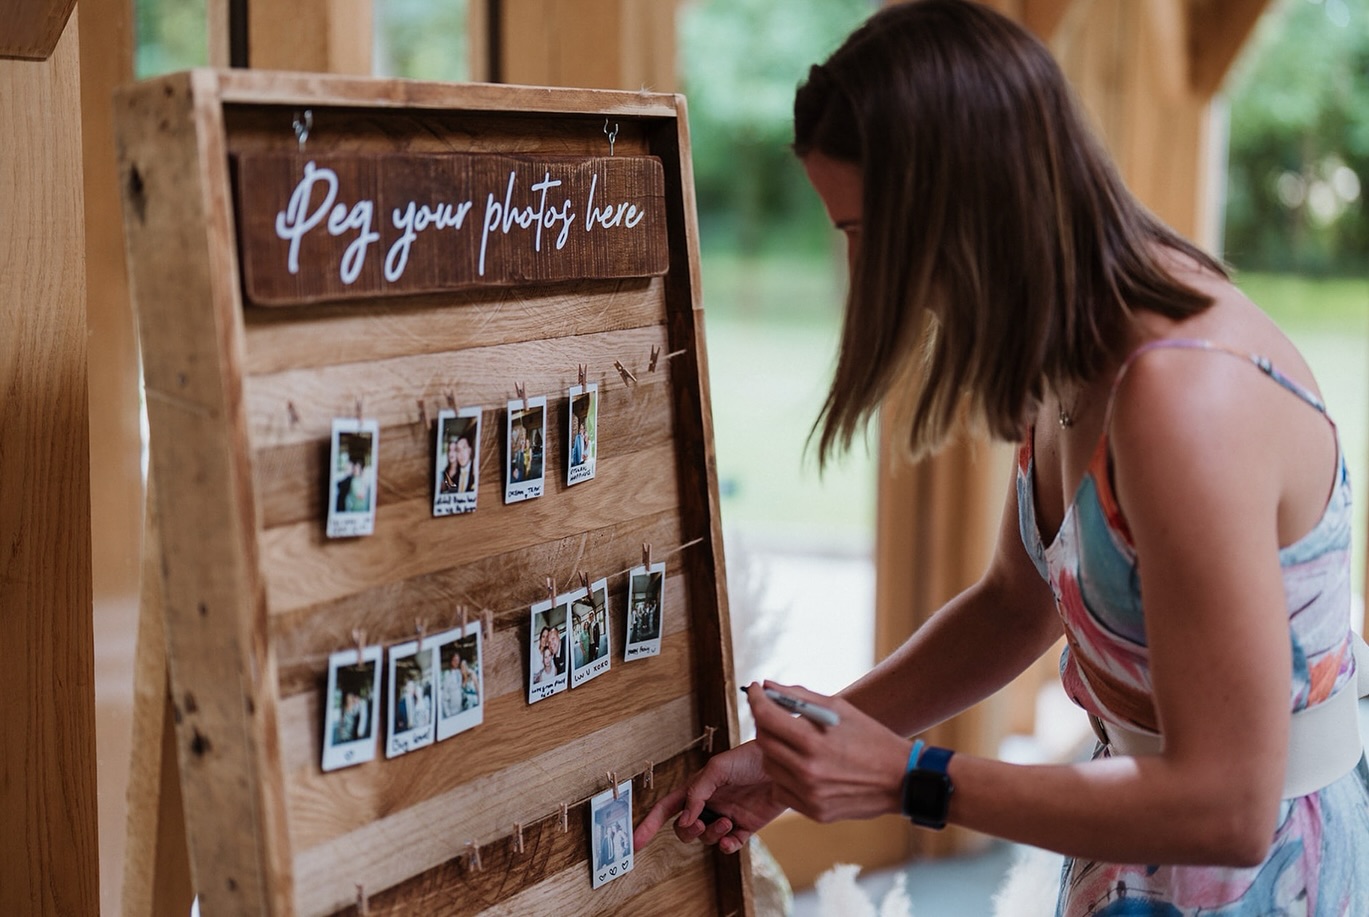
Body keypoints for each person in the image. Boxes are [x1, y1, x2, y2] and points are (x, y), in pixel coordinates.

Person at [634, 3, 1369, 914]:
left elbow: (1225, 806)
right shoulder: (1075, 346)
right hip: (1136, 857)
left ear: (956, 210)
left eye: (862, 236)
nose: (861, 280)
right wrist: (808, 754)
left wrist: (910, 777)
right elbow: (1014, 606)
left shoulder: (1185, 401)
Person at [441, 428, 476, 494]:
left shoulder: (475, 469)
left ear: (470, 450)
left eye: (464, 448)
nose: (461, 453)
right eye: (458, 450)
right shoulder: (454, 477)